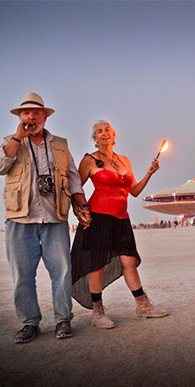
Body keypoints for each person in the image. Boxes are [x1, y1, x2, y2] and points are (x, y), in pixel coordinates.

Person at [0, 92, 92, 343]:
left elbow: (74, 179)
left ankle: (63, 320)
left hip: (55, 217)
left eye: (37, 113)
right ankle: (29, 323)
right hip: (20, 219)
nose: (31, 117)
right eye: (26, 113)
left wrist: (82, 206)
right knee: (22, 274)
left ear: (45, 116)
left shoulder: (60, 144)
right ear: (20, 117)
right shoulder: (10, 142)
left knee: (62, 271)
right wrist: (17, 137)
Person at [70, 120, 168, 329]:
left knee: (130, 262)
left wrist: (150, 173)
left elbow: (133, 191)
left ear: (114, 136)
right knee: (97, 265)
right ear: (94, 138)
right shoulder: (89, 160)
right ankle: (97, 311)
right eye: (99, 131)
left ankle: (142, 305)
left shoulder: (124, 160)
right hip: (99, 218)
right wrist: (80, 210)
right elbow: (75, 188)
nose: (104, 133)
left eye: (108, 130)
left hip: (122, 218)